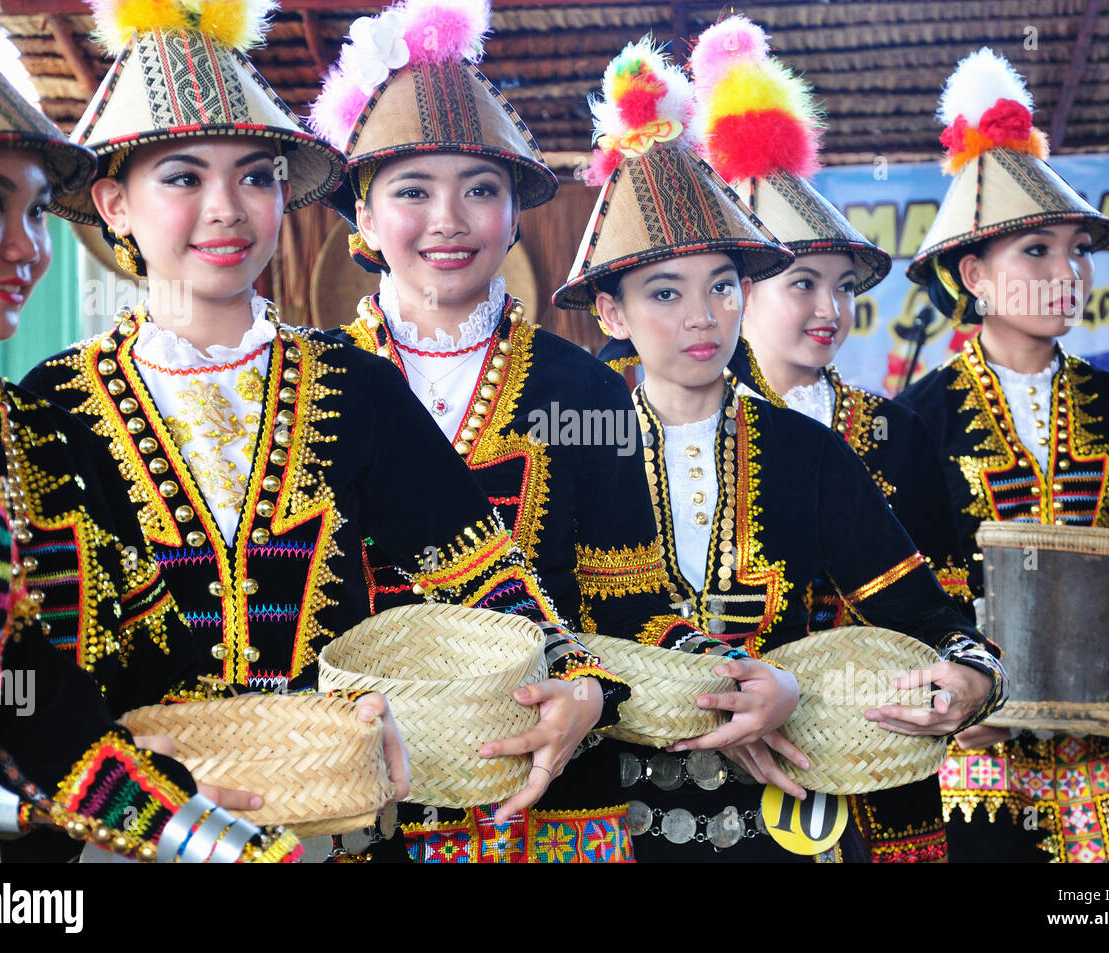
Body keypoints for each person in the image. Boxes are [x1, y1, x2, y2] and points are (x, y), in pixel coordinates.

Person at [21, 0, 626, 861]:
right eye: (184, 177)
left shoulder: (353, 385)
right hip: (132, 835)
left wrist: (579, 681)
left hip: (335, 830)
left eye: (257, 177)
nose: (227, 208)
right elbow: (36, 646)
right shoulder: (48, 403)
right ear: (115, 202)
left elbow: (482, 572)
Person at [309, 0, 802, 863]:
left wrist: (642, 690)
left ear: (514, 214)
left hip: (552, 809)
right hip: (357, 801)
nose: (450, 219)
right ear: (362, 215)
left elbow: (635, 607)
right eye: (413, 190)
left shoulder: (583, 388)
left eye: (482, 189)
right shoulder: (310, 384)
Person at [552, 37, 1007, 862]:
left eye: (722, 285)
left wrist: (975, 674)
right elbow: (541, 623)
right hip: (601, 822)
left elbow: (927, 618)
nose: (702, 317)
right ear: (609, 314)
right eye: (665, 291)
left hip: (778, 826)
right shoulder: (572, 447)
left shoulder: (805, 451)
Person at [0, 7, 314, 864]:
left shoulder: (4, 419)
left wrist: (221, 838)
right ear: (117, 208)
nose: (28, 248)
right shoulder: (48, 397)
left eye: (35, 213)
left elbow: (33, 698)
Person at [897, 48, 1109, 862]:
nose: (1069, 273)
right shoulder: (921, 418)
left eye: (1076, 250)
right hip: (983, 758)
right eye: (1037, 251)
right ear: (974, 273)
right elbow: (910, 587)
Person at [691, 14, 976, 863]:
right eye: (802, 282)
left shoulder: (898, 432)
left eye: (844, 286)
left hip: (882, 772)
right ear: (736, 288)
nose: (830, 309)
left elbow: (942, 605)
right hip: (718, 783)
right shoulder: (678, 429)